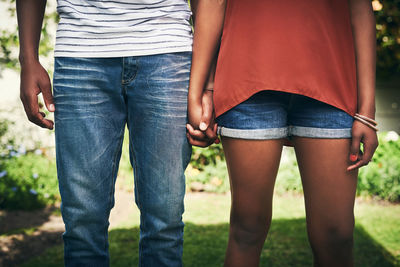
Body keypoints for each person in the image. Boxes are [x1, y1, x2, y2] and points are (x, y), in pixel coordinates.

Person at [187, 0, 378, 266]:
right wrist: (201, 90)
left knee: (337, 236)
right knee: (246, 228)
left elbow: (360, 7)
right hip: (247, 78)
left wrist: (367, 111)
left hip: (332, 81)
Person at [16, 0, 199, 266]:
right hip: (81, 49)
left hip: (166, 49)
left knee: (165, 219)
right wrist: (28, 58)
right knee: (82, 223)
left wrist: (209, 82)